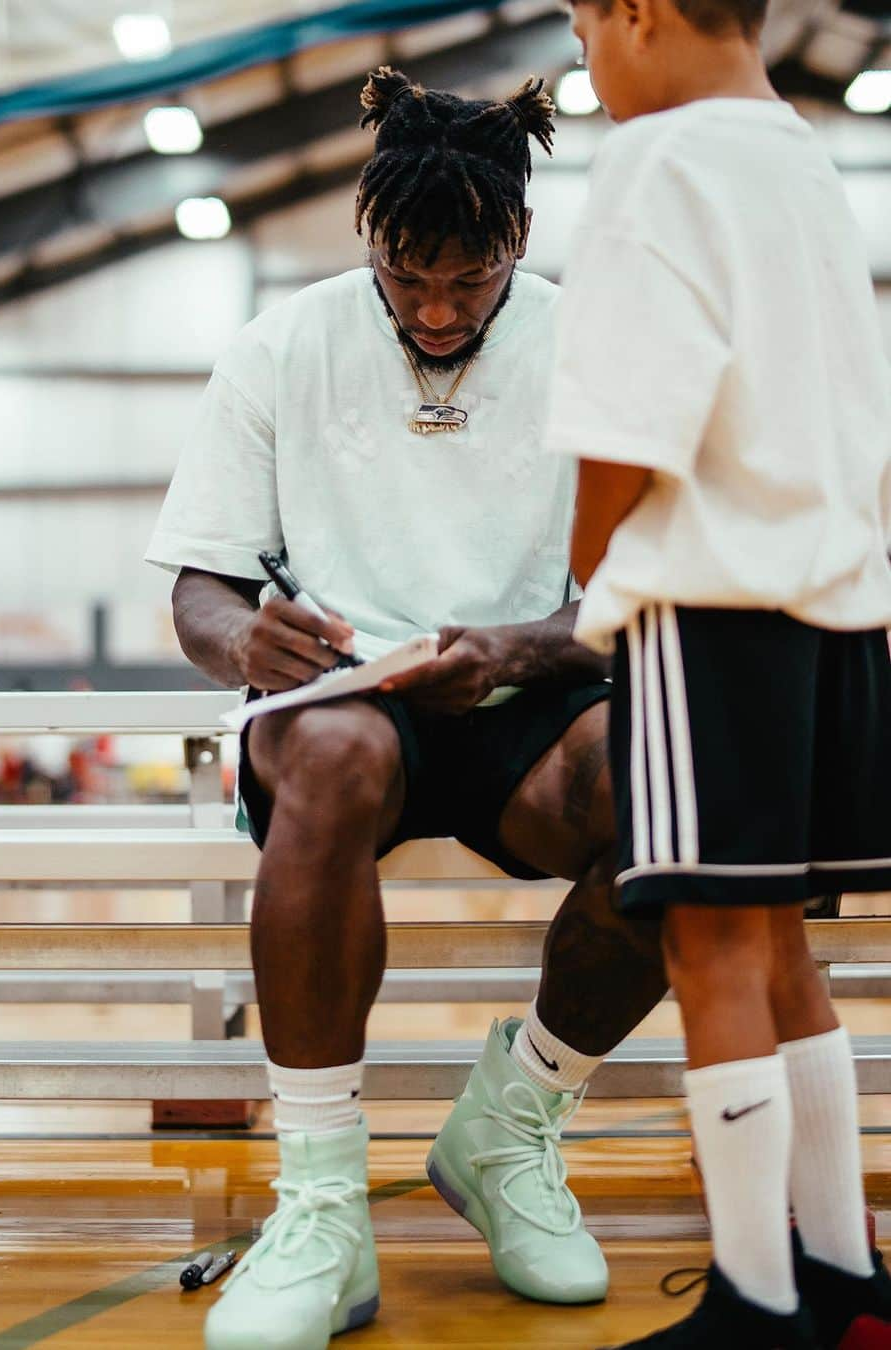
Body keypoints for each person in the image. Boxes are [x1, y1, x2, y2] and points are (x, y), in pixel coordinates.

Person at [148, 68, 670, 1350]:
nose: (436, 309)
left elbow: (643, 583)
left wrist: (518, 644)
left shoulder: (592, 346)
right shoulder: (280, 348)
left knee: (670, 779)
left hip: (528, 691)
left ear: (521, 243)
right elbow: (202, 589)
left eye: (469, 281)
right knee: (327, 748)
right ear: (368, 240)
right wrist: (243, 640)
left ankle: (513, 1122)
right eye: (408, 277)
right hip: (343, 702)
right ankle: (323, 1204)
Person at [547, 0, 891, 1343]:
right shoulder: (805, 159)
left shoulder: (660, 159)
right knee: (785, 945)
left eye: (581, 30)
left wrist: (585, 569)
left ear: (634, 12)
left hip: (707, 600)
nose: (586, 61)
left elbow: (628, 425)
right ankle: (843, 1274)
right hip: (840, 605)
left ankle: (753, 1301)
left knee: (709, 947)